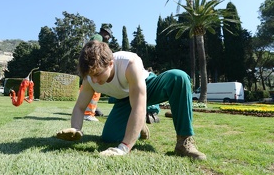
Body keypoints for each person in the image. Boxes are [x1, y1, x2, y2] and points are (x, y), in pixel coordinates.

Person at [56, 41, 206, 160]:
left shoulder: (129, 63)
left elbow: (138, 106)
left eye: (98, 74)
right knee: (109, 137)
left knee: (178, 77)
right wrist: (76, 129)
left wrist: (124, 148)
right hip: (123, 99)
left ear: (111, 63)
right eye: (90, 75)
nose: (94, 80)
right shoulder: (90, 78)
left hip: (147, 87)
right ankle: (139, 126)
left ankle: (184, 141)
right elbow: (80, 107)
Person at [83, 24, 113, 122]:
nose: (108, 38)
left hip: (89, 66)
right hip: (93, 67)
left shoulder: (96, 37)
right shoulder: (98, 38)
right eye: (109, 36)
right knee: (95, 88)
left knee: (87, 89)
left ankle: (91, 110)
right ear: (105, 33)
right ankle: (88, 114)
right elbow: (95, 52)